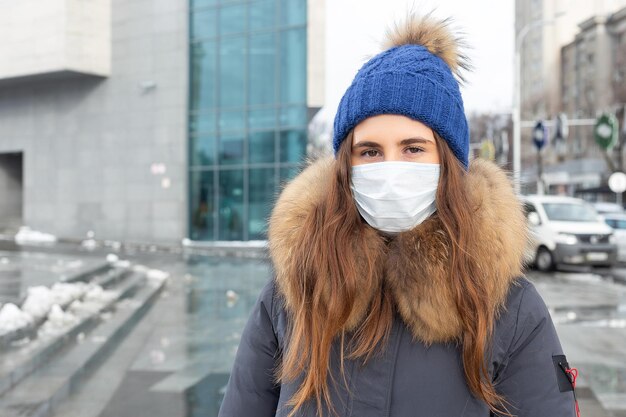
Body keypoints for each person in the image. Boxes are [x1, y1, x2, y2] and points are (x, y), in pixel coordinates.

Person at [218, 14, 579, 417]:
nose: (389, 169)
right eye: (369, 151)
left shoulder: (510, 310)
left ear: (447, 164)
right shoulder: (294, 292)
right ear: (345, 167)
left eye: (413, 149)